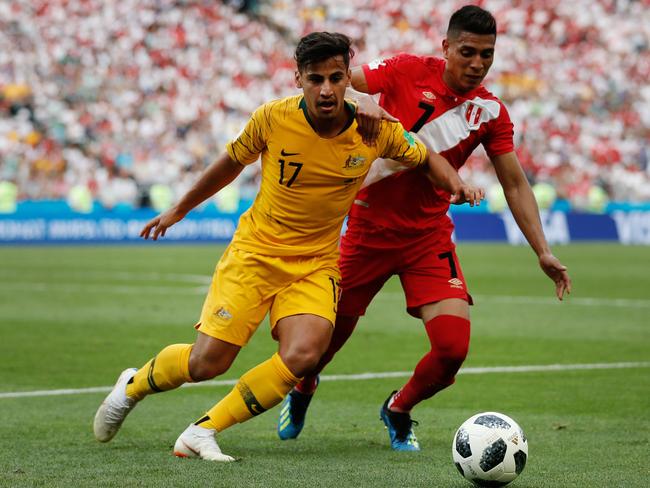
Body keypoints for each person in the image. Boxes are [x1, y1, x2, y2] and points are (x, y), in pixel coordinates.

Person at [92, 31, 483, 462]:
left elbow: (425, 156)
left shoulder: (375, 130)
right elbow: (230, 163)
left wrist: (457, 183)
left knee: (303, 353)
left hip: (315, 263)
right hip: (255, 254)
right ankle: (133, 384)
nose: (327, 89)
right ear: (298, 79)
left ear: (346, 79)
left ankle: (202, 431)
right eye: (316, 79)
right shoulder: (272, 119)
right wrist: (179, 209)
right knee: (207, 364)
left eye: (336, 78)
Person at [277, 6, 572, 452]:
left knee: (452, 350)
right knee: (319, 347)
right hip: (366, 233)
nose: (477, 64)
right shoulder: (405, 69)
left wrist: (542, 250)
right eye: (468, 52)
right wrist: (368, 102)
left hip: (427, 237)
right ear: (446, 47)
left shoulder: (489, 111)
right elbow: (337, 88)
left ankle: (398, 408)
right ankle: (304, 388)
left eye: (487, 55)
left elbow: (514, 182)